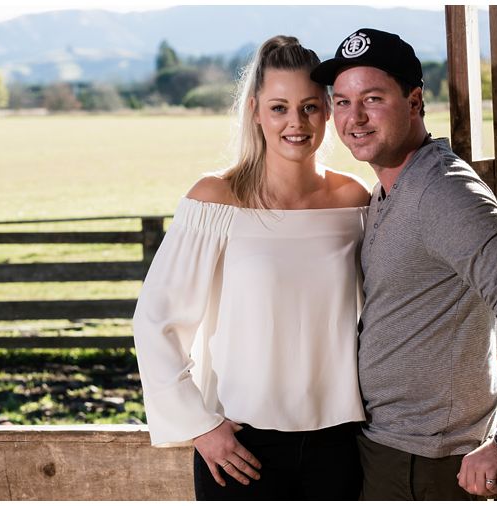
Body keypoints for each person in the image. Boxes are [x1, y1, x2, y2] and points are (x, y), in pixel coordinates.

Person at [311, 28, 497, 500]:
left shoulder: (442, 191)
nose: (354, 118)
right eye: (341, 102)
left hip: (427, 461)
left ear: (415, 100)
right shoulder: (389, 187)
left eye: (373, 99)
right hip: (392, 446)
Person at [133, 35, 371, 501]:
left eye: (309, 106)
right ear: (255, 112)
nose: (295, 123)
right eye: (279, 107)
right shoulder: (215, 200)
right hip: (241, 444)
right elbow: (156, 319)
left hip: (341, 440)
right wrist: (201, 427)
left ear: (327, 110)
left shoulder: (355, 201)